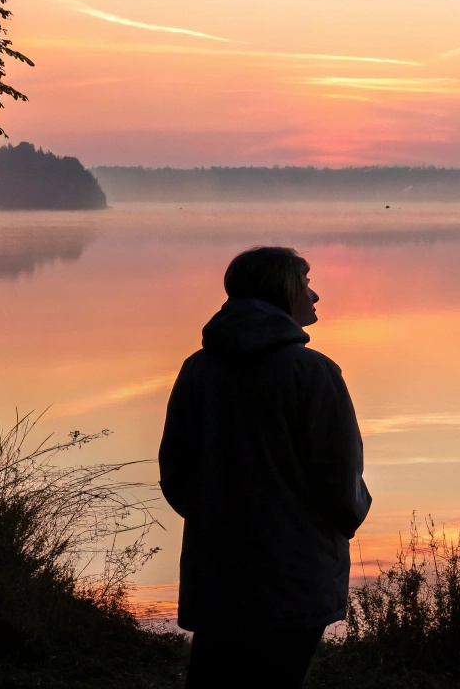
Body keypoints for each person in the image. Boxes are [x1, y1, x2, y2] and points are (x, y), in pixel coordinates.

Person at [159, 246, 372, 688]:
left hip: (216, 569)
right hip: (294, 573)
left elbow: (174, 472)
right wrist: (338, 526)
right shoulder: (313, 372)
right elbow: (341, 477)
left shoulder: (197, 369)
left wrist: (213, 519)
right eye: (306, 284)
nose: (315, 296)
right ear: (283, 291)